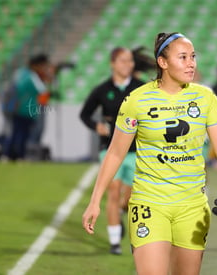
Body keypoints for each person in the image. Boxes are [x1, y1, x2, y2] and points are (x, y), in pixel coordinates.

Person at [82, 32, 217, 275]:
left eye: (193, 56)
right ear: (163, 62)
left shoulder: (206, 98)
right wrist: (95, 201)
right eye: (183, 57)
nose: (191, 63)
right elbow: (115, 153)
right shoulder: (136, 100)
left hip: (192, 206)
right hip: (149, 204)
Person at [80, 47, 144, 255]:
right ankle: (115, 242)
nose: (128, 65)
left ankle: (123, 211)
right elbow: (85, 114)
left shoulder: (141, 89)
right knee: (113, 191)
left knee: (132, 198)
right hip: (110, 149)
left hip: (136, 151)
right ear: (113, 63)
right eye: (123, 61)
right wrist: (96, 126)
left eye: (130, 61)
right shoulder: (102, 89)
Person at [3, 54, 51, 161]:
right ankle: (20, 155)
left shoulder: (19, 73)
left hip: (14, 108)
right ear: (36, 65)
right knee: (23, 134)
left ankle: (7, 155)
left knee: (15, 132)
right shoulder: (31, 76)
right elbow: (43, 91)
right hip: (26, 110)